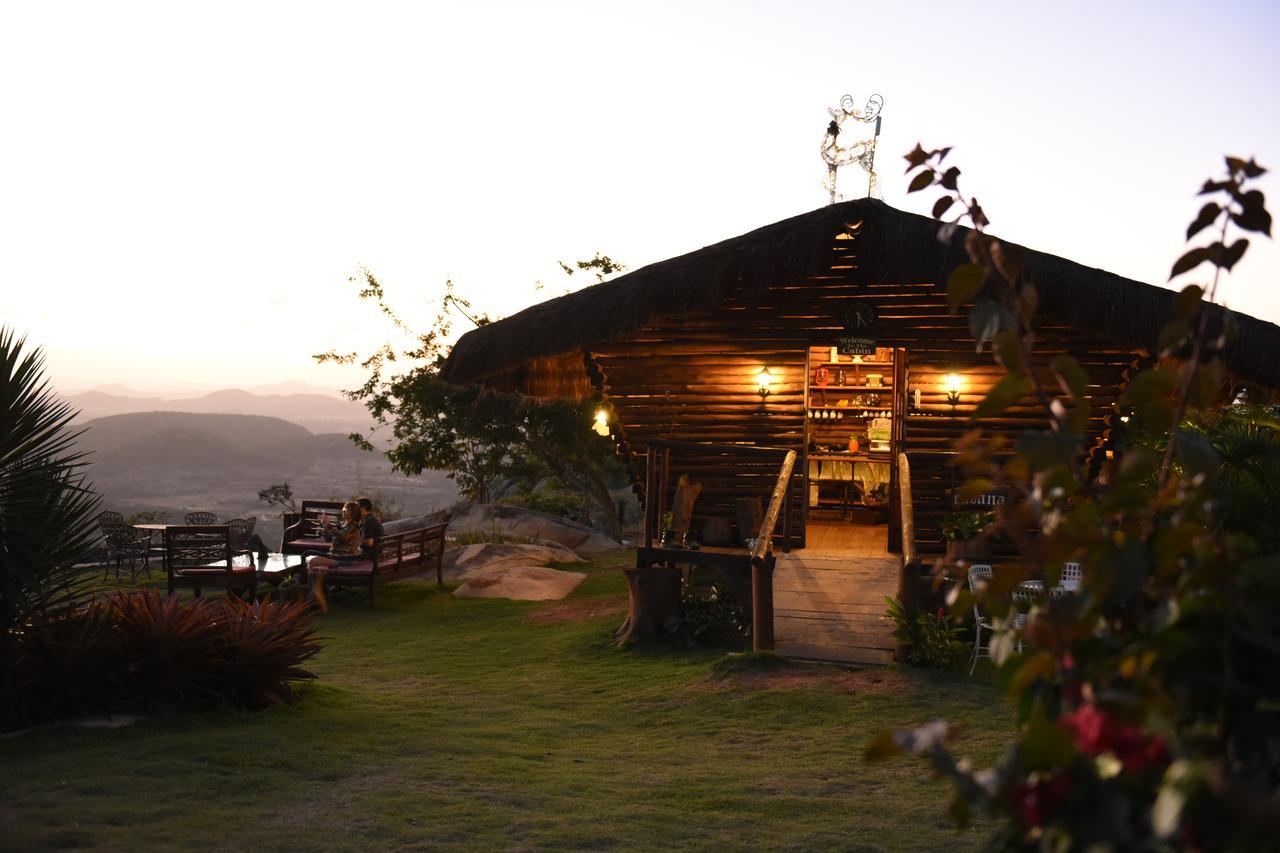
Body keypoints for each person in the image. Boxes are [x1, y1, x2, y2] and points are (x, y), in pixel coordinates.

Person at [304, 501, 363, 612]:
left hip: (345, 557)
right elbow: (331, 536)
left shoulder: (354, 526)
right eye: (343, 509)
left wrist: (329, 526)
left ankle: (314, 592)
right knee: (312, 565)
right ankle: (316, 592)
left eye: (346, 510)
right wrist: (325, 526)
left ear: (353, 513)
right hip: (335, 555)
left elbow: (344, 537)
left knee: (312, 561)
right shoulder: (341, 524)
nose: (343, 511)